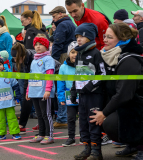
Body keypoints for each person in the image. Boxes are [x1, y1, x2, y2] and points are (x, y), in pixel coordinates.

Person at [90, 23, 143, 160]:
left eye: (109, 37)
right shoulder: (112, 57)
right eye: (104, 36)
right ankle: (133, 145)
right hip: (128, 105)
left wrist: (104, 113)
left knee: (110, 123)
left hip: (138, 105)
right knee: (97, 116)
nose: (105, 40)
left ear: (122, 39)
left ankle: (140, 145)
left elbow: (125, 94)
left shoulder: (130, 60)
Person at [70, 23, 106, 160]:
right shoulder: (79, 54)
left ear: (89, 37)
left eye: (81, 36)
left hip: (94, 95)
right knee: (83, 122)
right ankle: (87, 148)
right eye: (77, 36)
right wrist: (74, 90)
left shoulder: (96, 53)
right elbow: (76, 75)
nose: (78, 39)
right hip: (82, 95)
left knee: (93, 122)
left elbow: (102, 74)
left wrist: (90, 86)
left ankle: (96, 152)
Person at [26, 34, 55, 144]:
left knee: (46, 114)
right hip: (34, 91)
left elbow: (50, 75)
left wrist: (48, 90)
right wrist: (28, 91)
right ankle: (41, 134)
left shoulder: (48, 59)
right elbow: (31, 76)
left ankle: (49, 135)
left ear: (46, 46)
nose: (38, 46)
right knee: (39, 114)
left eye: (41, 44)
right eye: (36, 44)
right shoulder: (34, 60)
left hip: (43, 91)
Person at [11, 42, 35, 134]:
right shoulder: (21, 60)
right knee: (26, 98)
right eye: (13, 58)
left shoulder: (32, 58)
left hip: (48, 77)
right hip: (29, 77)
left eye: (16, 58)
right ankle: (22, 125)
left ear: (21, 55)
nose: (15, 60)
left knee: (43, 101)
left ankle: (44, 125)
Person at [57, 41, 78, 140]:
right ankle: (71, 137)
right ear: (69, 53)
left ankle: (84, 137)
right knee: (71, 118)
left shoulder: (83, 66)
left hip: (82, 95)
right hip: (69, 96)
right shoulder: (63, 67)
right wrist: (61, 97)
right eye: (73, 52)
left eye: (77, 52)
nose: (75, 55)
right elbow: (61, 83)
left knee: (83, 118)